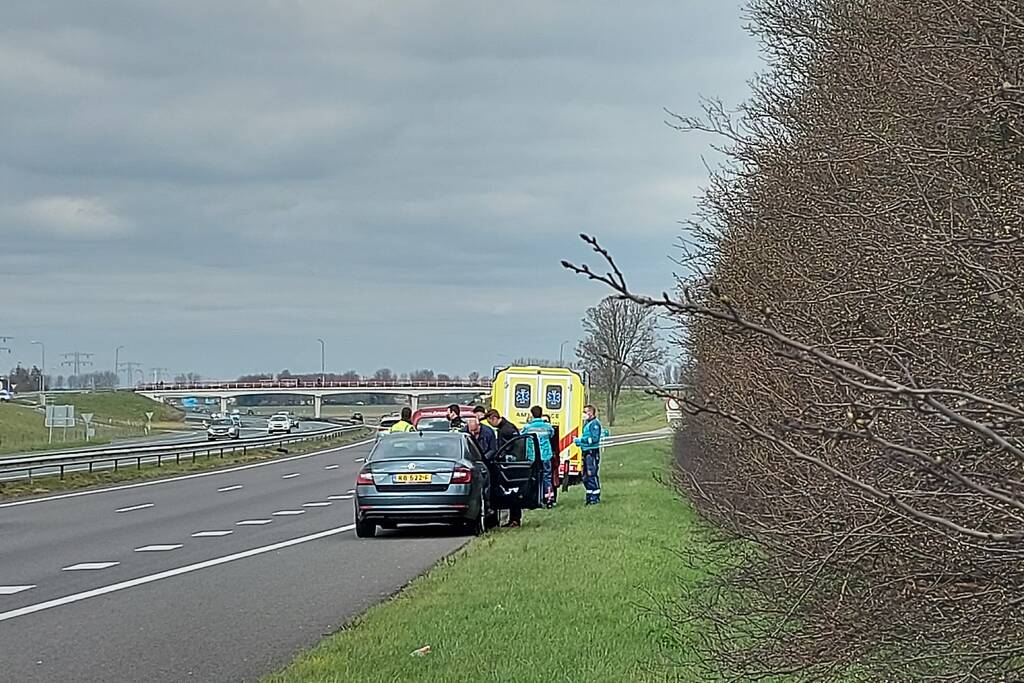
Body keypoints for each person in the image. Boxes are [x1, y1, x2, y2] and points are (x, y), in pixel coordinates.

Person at [485, 408, 523, 527]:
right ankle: (513, 519)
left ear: (494, 418)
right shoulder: (506, 427)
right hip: (512, 463)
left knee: (513, 493)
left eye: (490, 422)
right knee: (512, 493)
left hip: (511, 465)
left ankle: (515, 519)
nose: (491, 425)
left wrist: (501, 455)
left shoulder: (506, 430)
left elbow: (512, 445)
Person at [523, 406, 556, 507]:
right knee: (547, 477)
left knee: (532, 477)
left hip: (532, 456)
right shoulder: (547, 427)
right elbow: (552, 435)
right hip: (545, 455)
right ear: (541, 414)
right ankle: (549, 499)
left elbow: (521, 436)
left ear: (532, 414)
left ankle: (533, 499)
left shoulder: (527, 427)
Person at [574, 404, 604, 504]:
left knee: (592, 474)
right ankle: (589, 496)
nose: (584, 414)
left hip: (592, 452)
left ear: (591, 413)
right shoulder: (587, 423)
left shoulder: (594, 424)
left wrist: (582, 440)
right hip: (586, 451)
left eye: (585, 412)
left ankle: (595, 498)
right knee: (585, 476)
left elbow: (594, 439)